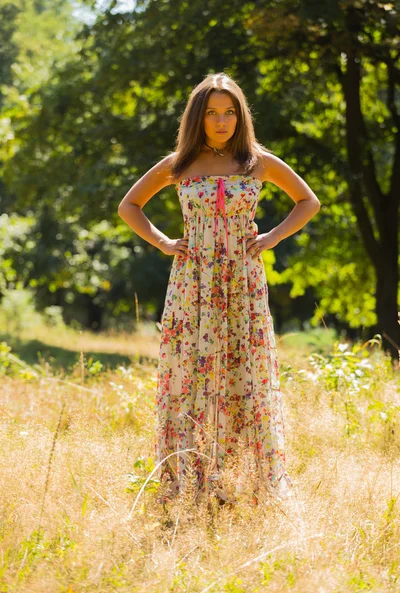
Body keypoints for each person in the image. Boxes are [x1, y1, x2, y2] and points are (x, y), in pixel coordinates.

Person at [118, 72, 320, 506]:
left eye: (229, 112)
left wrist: (273, 237)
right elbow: (129, 205)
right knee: (190, 374)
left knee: (244, 371)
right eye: (212, 113)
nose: (222, 120)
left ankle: (248, 481)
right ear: (199, 117)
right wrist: (165, 242)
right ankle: (189, 480)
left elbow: (308, 201)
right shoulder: (180, 163)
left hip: (243, 283)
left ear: (240, 116)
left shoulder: (257, 161)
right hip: (193, 284)